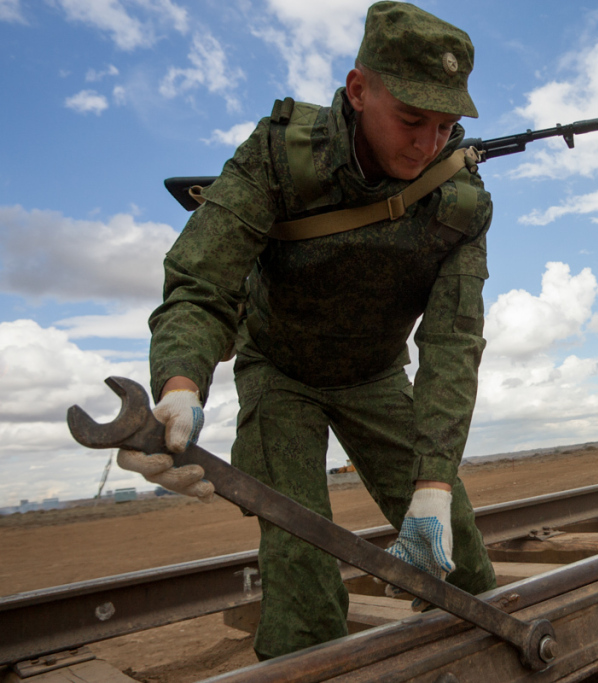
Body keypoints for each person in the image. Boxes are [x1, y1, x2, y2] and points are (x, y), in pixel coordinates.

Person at [114, 1, 497, 660]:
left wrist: (433, 480)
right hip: (279, 372)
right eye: (411, 120)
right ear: (358, 89)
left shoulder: (459, 201)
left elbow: (451, 343)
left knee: (460, 555)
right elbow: (203, 281)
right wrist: (178, 388)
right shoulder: (279, 155)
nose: (429, 143)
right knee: (301, 565)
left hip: (377, 377)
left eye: (447, 126)